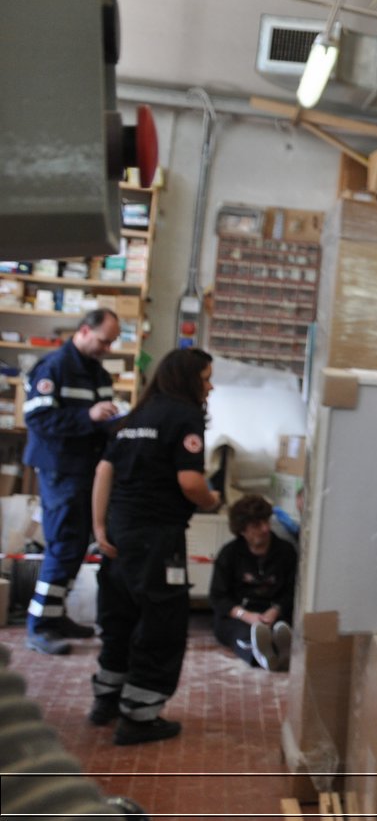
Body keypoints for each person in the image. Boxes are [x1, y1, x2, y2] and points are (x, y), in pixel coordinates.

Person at [90, 348, 222, 746]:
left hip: (118, 532)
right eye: (205, 378)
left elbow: (103, 471)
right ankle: (140, 716)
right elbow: (190, 483)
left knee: (119, 618)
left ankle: (107, 700)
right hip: (157, 537)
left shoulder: (133, 417)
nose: (210, 386)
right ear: (187, 380)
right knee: (161, 622)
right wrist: (213, 500)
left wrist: (99, 526)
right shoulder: (185, 416)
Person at [21, 308, 122, 655]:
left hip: (84, 469)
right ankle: (39, 626)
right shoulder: (53, 367)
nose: (107, 348)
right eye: (103, 341)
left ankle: (55, 615)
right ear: (83, 331)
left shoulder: (99, 374)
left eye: (111, 343)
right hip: (59, 468)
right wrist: (88, 416)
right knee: (64, 543)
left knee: (76, 545)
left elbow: (99, 422)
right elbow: (37, 418)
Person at [209, 494, 297, 672]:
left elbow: (292, 591)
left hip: (273, 612)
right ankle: (262, 657)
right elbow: (218, 597)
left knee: (282, 628)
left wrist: (275, 610)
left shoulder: (286, 552)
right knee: (242, 635)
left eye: (266, 522)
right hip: (240, 614)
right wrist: (247, 616)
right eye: (257, 525)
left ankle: (281, 651)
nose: (265, 529)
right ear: (242, 530)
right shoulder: (229, 554)